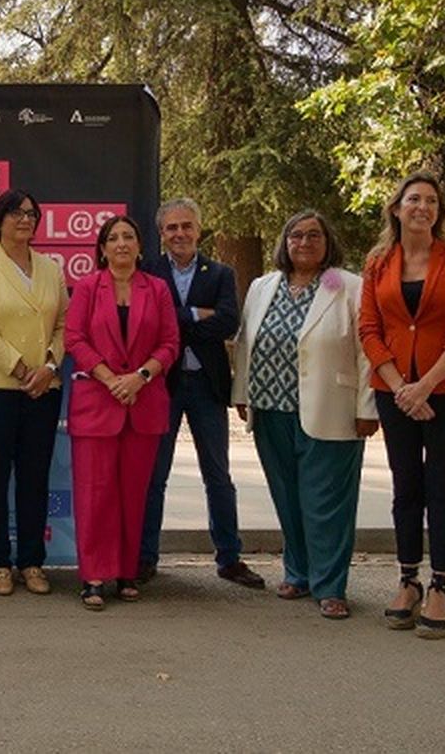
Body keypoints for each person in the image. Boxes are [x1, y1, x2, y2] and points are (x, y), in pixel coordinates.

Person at [233, 211, 379, 620]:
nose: (304, 242)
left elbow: (369, 351)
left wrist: (368, 406)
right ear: (285, 242)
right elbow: (247, 342)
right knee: (288, 497)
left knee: (326, 502)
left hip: (331, 409)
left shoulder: (349, 287)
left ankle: (330, 586)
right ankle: (297, 573)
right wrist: (241, 391)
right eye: (295, 235)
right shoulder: (263, 286)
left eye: (314, 235)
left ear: (327, 241)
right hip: (270, 408)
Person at [359, 171, 445, 639]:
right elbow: (369, 329)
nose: (422, 207)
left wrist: (426, 385)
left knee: (442, 488)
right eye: (413, 199)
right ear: (397, 208)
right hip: (394, 392)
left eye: (431, 201)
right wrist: (400, 386)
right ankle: (408, 579)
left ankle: (441, 585)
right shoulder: (378, 264)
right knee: (405, 486)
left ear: (439, 212)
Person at [138, 198, 262, 588]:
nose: (180, 234)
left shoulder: (220, 273)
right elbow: (147, 322)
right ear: (161, 234)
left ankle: (229, 558)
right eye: (172, 228)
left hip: (207, 386)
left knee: (218, 475)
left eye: (186, 226)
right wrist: (196, 313)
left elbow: (228, 322)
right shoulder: (148, 271)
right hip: (163, 384)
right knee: (154, 476)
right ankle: (144, 557)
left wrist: (175, 318)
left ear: (199, 230)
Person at [64, 214, 179, 610]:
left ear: (140, 246)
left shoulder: (158, 289)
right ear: (102, 248)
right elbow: (74, 338)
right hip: (98, 403)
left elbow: (170, 343)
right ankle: (94, 576)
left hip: (142, 404)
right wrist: (111, 378)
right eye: (113, 238)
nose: (122, 244)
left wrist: (140, 377)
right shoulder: (87, 288)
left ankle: (127, 572)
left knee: (134, 493)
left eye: (129, 236)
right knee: (95, 495)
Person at [0, 188, 67, 597]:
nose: (25, 220)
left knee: (35, 478)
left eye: (31, 213)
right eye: (16, 213)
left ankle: (32, 562)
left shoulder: (51, 269)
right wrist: (23, 369)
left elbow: (65, 325)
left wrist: (49, 366)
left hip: (44, 388)